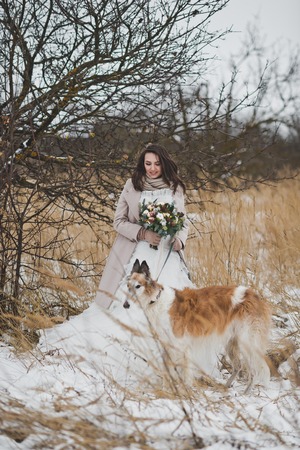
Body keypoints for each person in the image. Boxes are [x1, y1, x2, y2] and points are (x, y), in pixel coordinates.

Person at [95, 143, 193, 310]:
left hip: (168, 252)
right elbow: (118, 221)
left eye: (157, 164)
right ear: (143, 164)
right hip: (137, 251)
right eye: (148, 164)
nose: (152, 168)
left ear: (164, 163)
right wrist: (143, 233)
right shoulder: (131, 185)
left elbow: (182, 221)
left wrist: (180, 240)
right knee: (132, 301)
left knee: (171, 303)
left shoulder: (175, 187)